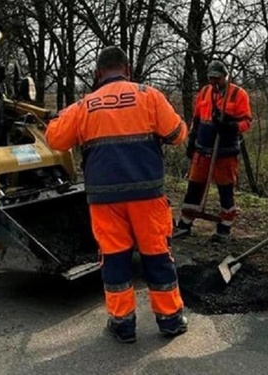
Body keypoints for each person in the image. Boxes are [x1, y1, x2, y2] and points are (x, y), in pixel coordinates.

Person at [45, 45, 189, 343]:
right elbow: (177, 135)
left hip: (104, 200)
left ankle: (123, 325)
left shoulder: (85, 105)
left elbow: (55, 139)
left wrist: (61, 114)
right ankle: (170, 320)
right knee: (157, 255)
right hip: (147, 196)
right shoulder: (149, 95)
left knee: (114, 259)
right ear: (128, 69)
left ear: (98, 74)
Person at [175, 59, 252, 242]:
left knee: (225, 189)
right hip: (202, 148)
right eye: (211, 78)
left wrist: (230, 126)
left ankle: (224, 228)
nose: (213, 82)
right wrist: (192, 141)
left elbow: (247, 122)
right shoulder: (204, 92)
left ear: (225, 76)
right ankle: (185, 224)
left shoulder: (238, 94)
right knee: (194, 186)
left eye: (217, 78)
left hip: (225, 150)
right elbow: (197, 117)